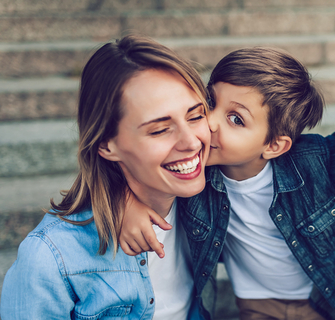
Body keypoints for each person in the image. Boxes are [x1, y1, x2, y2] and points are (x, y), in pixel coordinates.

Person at [121, 47, 335, 320]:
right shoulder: (194, 176)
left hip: (319, 301)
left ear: (274, 145)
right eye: (211, 102)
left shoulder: (313, 162)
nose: (211, 122)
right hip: (255, 303)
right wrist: (125, 200)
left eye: (236, 119)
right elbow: (139, 165)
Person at [0, 35, 216, 320]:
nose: (191, 142)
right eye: (160, 129)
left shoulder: (214, 198)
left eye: (195, 116)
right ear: (106, 144)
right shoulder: (51, 256)